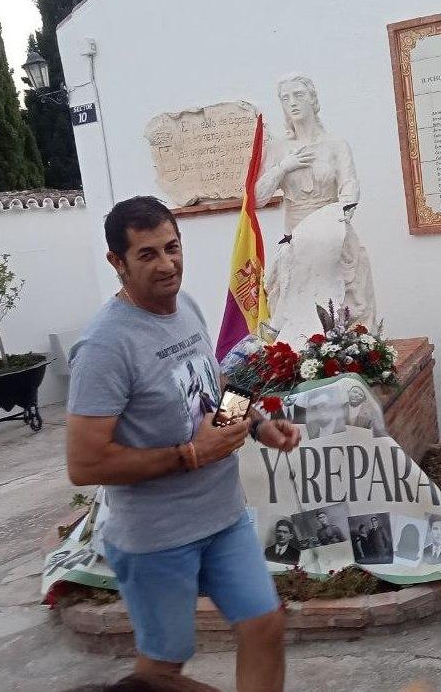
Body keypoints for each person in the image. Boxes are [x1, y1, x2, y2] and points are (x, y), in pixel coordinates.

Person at [65, 196, 301, 692]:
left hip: (223, 517)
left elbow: (212, 393)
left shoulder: (187, 305)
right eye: (147, 254)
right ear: (118, 263)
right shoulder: (105, 347)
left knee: (265, 625)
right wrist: (189, 455)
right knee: (161, 673)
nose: (167, 264)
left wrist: (258, 425)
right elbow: (84, 463)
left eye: (172, 248)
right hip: (156, 538)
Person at [254, 73, 376, 339]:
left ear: (313, 99)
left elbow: (350, 184)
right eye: (285, 99)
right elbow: (257, 197)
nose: (292, 103)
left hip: (333, 229)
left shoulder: (335, 144)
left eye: (298, 95)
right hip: (297, 234)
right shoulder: (279, 148)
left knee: (349, 296)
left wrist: (341, 212)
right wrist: (284, 167)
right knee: (292, 299)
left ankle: (349, 351)